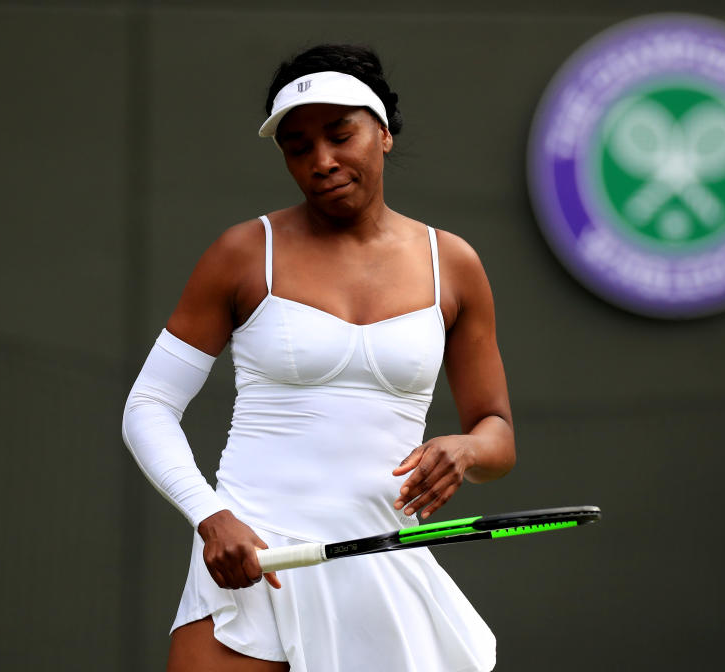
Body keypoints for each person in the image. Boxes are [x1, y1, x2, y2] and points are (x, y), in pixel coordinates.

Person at [122, 44, 515, 671]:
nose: (321, 160)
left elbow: (496, 434)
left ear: (383, 133)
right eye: (298, 146)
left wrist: (465, 450)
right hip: (250, 570)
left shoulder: (455, 265)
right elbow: (148, 406)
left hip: (382, 568)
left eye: (340, 134)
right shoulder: (244, 253)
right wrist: (211, 517)